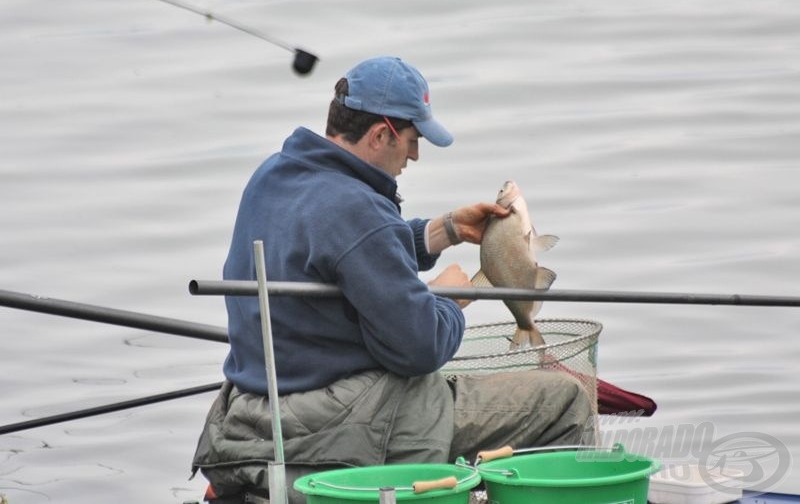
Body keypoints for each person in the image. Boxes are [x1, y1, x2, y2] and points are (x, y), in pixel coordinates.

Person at [191, 56, 592, 503]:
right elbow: (418, 349)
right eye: (412, 140)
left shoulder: (274, 175)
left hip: (255, 405)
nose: (415, 155)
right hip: (337, 420)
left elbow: (347, 255)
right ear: (381, 134)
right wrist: (448, 300)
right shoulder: (358, 211)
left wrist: (444, 230)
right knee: (566, 398)